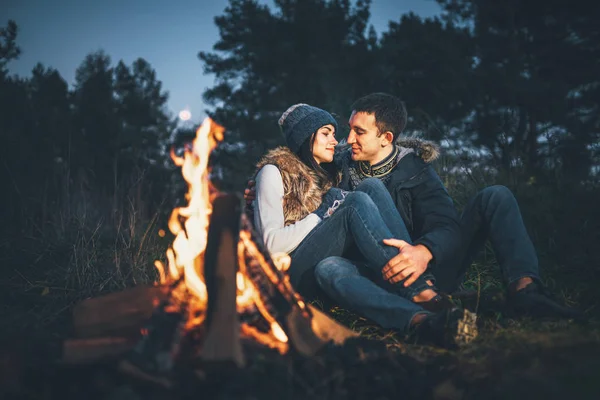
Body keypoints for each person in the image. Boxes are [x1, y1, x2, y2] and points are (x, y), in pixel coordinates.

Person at [246, 93, 581, 322]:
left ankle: (525, 290)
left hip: (428, 262)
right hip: (382, 265)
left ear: (386, 138)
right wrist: (265, 189)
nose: (347, 139)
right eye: (346, 130)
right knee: (338, 252)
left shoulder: (415, 170)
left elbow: (447, 226)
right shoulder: (340, 165)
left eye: (358, 131)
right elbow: (306, 172)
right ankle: (425, 306)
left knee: (496, 194)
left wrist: (423, 251)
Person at [252, 103, 478, 348]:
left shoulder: (328, 170)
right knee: (356, 200)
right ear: (306, 138)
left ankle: (422, 322)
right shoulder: (273, 173)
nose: (336, 140)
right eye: (326, 133)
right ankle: (422, 291)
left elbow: (366, 161)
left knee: (364, 199)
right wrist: (321, 213)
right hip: (290, 274)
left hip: (319, 269)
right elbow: (270, 244)